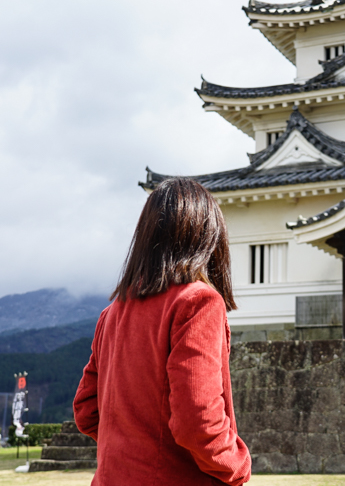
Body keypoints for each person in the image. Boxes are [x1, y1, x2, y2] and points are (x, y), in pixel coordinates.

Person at [74, 177, 251, 485]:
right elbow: (197, 418)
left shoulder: (112, 314)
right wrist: (236, 465)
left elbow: (87, 411)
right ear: (208, 236)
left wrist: (130, 445)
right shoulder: (198, 301)